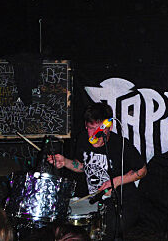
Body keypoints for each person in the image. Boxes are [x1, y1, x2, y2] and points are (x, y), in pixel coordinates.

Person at [48, 102, 147, 240]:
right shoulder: (83, 138)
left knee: (108, 229)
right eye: (89, 128)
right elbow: (82, 166)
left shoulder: (121, 145)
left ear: (108, 126)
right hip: (93, 199)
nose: (92, 134)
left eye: (96, 129)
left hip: (120, 202)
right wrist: (65, 162)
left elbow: (142, 171)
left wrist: (117, 181)